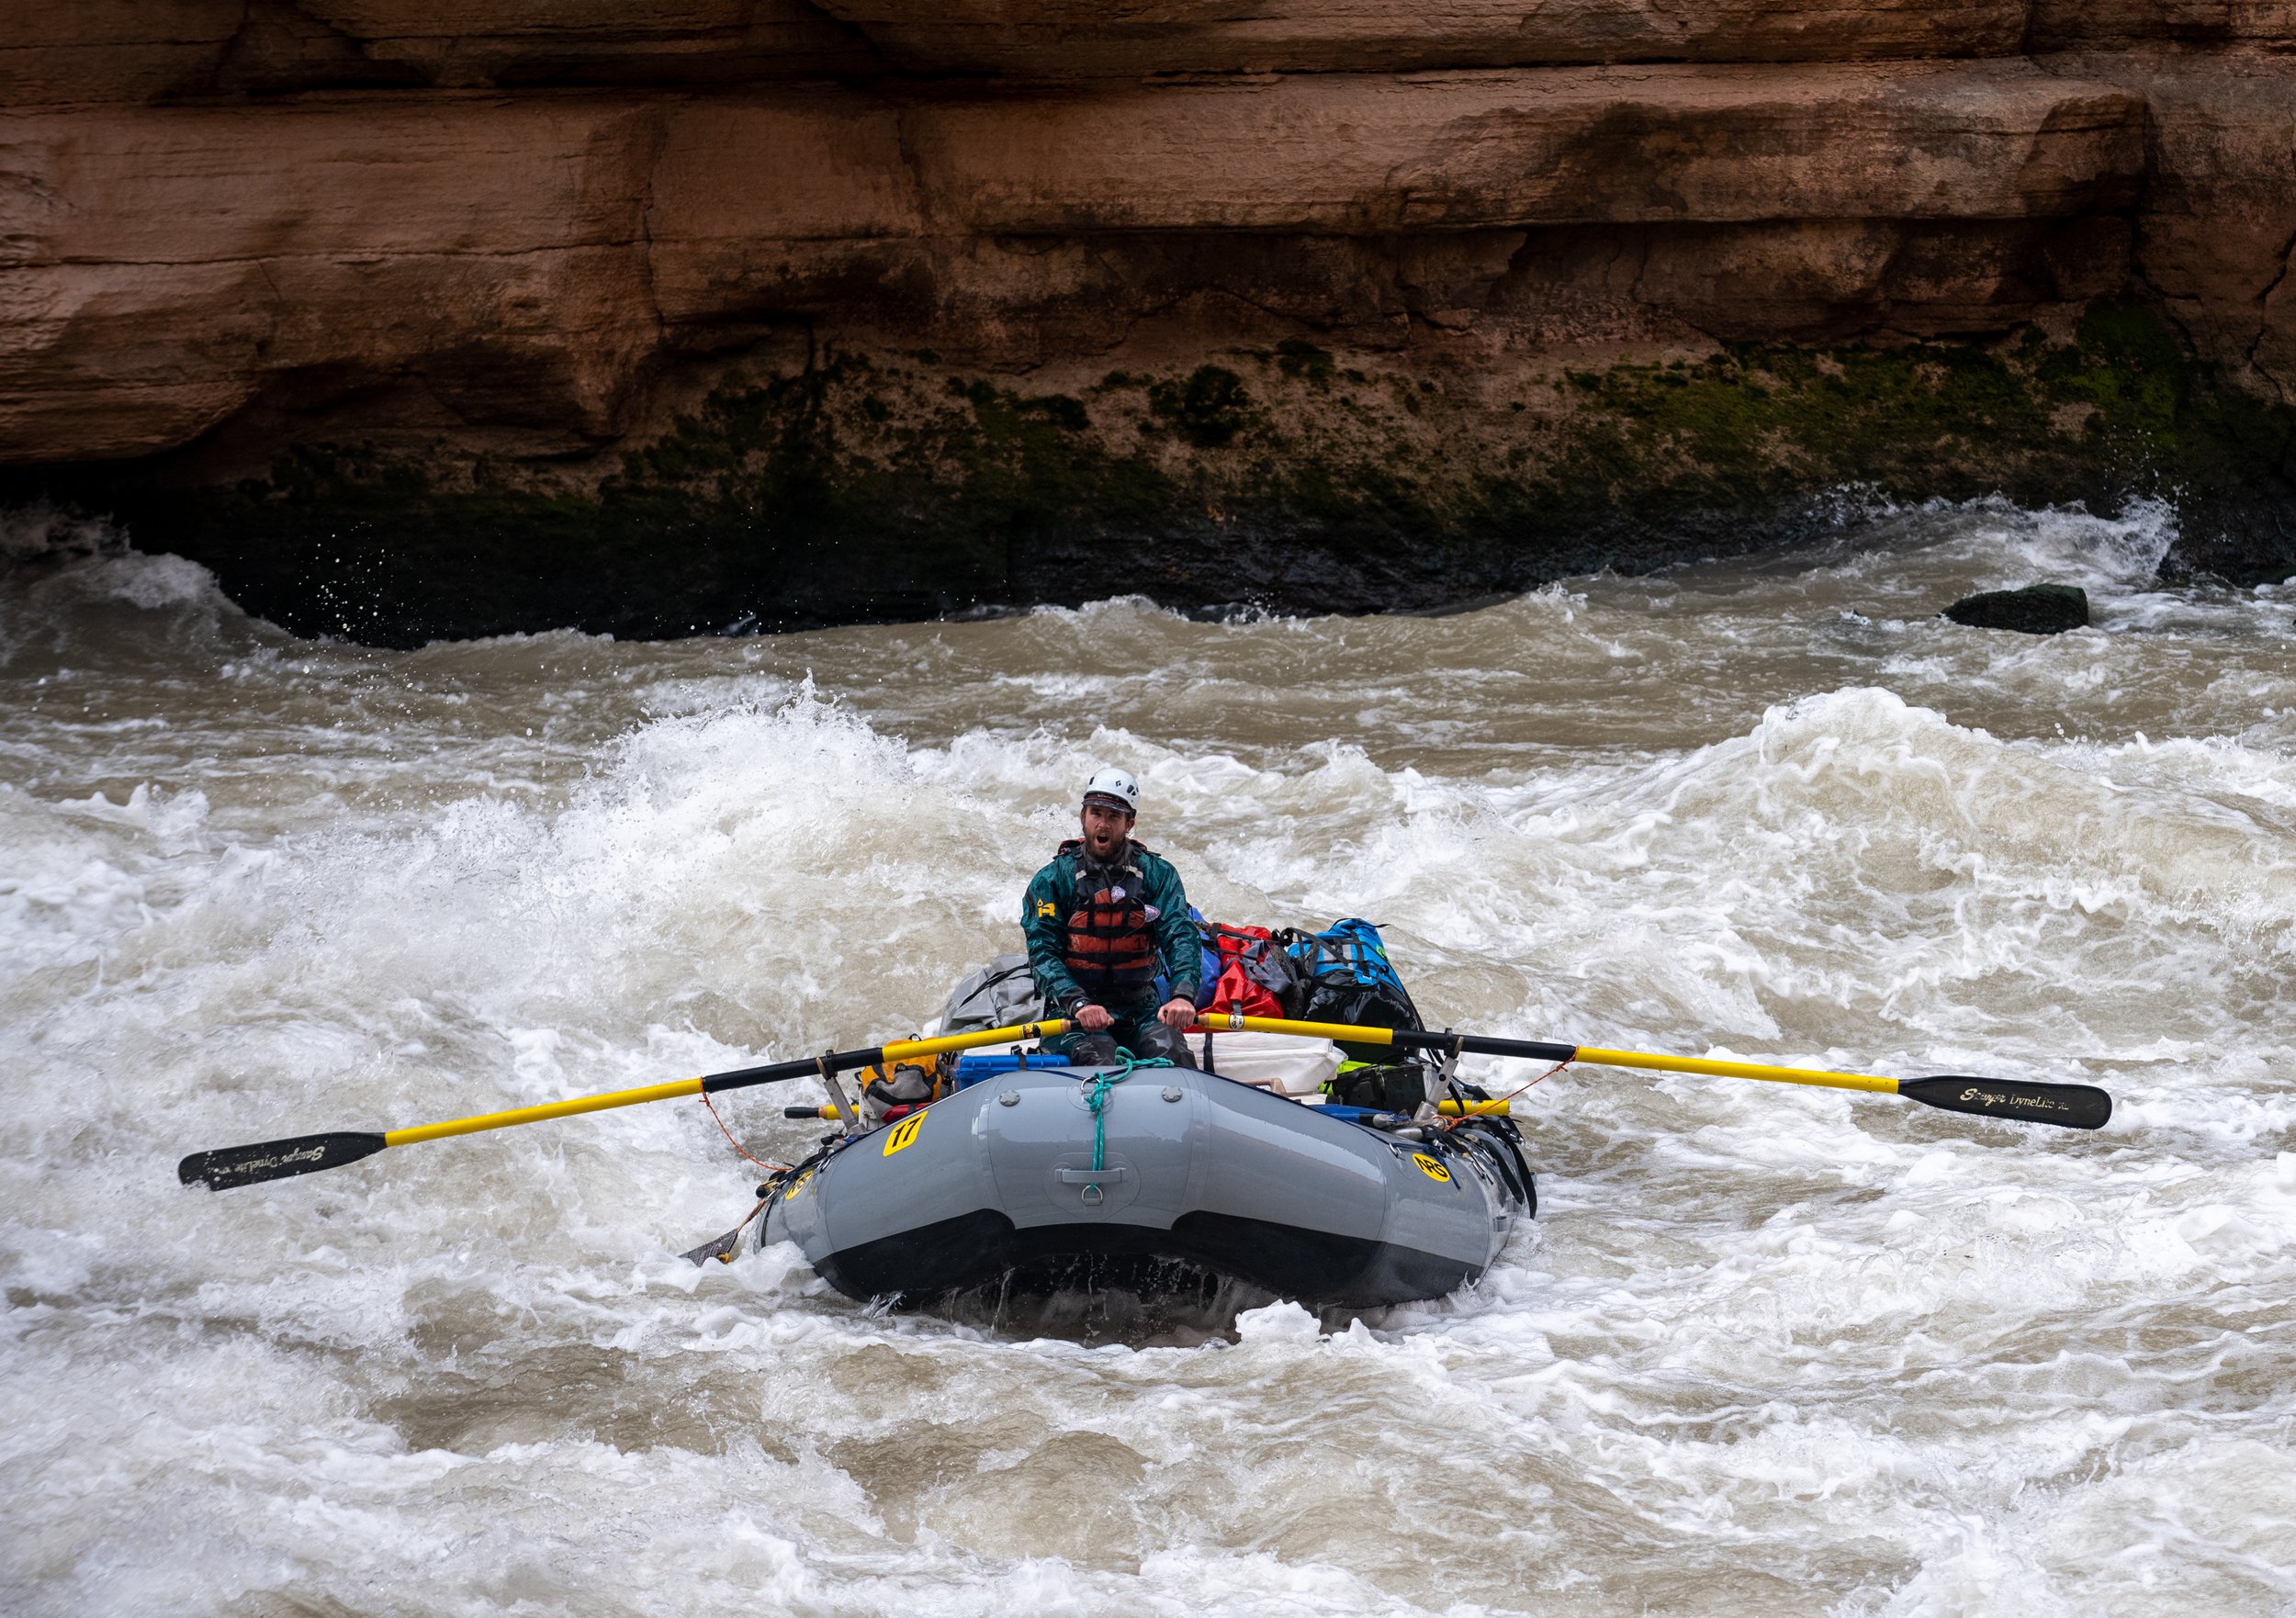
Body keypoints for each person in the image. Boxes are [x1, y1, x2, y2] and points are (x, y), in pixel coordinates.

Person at [1021, 769, 1201, 1067]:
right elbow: (1042, 951)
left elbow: (1180, 936)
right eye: (1096, 813)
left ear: (1129, 823)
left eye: (1114, 816)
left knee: (1173, 1053)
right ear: (1083, 817)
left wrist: (1183, 994)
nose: (1102, 824)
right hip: (1073, 1012)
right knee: (1099, 1060)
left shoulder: (1158, 874)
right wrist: (1078, 1003)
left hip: (1141, 1008)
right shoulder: (1052, 880)